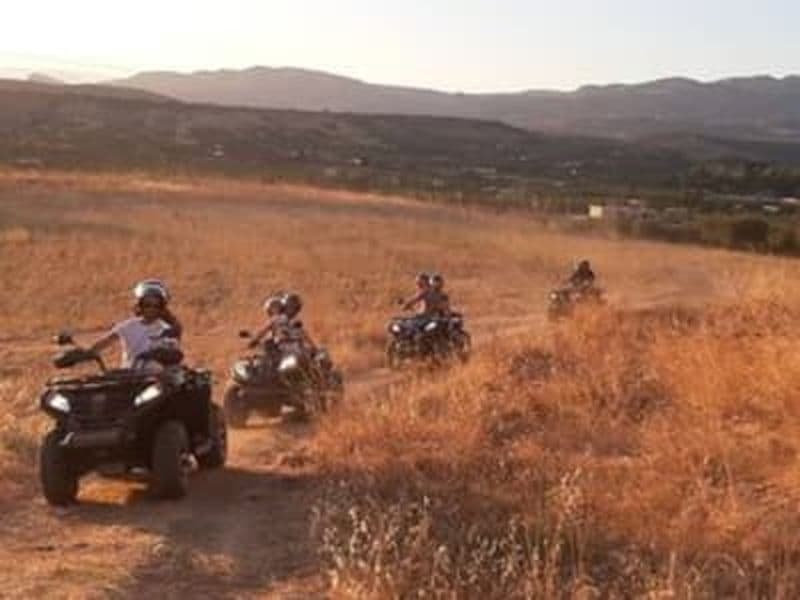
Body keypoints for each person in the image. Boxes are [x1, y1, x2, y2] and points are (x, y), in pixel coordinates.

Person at [89, 279, 181, 372]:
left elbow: (174, 355)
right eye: (147, 305)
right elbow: (103, 343)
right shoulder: (128, 326)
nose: (151, 309)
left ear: (162, 308)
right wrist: (86, 354)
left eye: (156, 306)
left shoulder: (166, 330)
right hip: (129, 375)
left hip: (154, 377)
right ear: (139, 306)